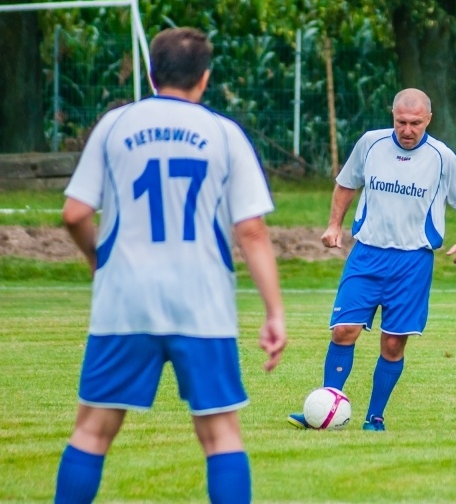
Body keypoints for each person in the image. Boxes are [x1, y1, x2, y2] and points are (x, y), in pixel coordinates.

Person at [54, 27, 287, 504]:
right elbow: (252, 232)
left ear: (152, 74)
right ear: (204, 78)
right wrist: (274, 312)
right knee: (221, 434)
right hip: (201, 305)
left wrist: (100, 259)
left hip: (125, 302)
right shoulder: (225, 133)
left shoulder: (116, 126)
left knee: (93, 432)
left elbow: (74, 214)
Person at [287, 88, 456, 432]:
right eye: (401, 121)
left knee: (393, 343)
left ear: (428, 120)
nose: (407, 130)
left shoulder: (441, 157)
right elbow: (346, 183)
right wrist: (334, 225)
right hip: (367, 256)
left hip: (413, 263)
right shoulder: (371, 144)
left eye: (416, 123)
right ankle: (327, 406)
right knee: (343, 330)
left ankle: (374, 417)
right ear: (392, 115)